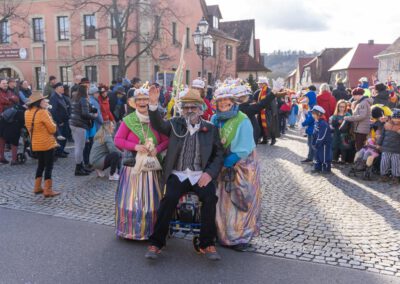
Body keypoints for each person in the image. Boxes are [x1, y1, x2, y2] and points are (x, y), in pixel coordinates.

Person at [145, 86, 224, 261]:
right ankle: (156, 242)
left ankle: (206, 243)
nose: (189, 110)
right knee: (169, 199)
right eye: (186, 107)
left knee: (210, 198)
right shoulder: (175, 124)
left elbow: (219, 154)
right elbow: (158, 124)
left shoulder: (210, 128)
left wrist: (209, 174)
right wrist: (152, 104)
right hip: (178, 173)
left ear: (200, 109)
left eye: (193, 107)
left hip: (199, 175)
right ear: (182, 109)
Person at [211, 84, 262, 252]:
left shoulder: (242, 119)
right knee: (223, 202)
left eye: (227, 100)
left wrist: (227, 162)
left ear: (233, 101)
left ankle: (240, 237)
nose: (224, 103)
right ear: (216, 103)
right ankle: (223, 235)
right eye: (220, 100)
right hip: (224, 165)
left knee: (240, 200)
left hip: (242, 166)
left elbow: (245, 147)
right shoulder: (214, 119)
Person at [114, 86, 168, 239]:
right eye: (139, 100)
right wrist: (135, 146)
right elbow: (118, 140)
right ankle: (130, 229)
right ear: (134, 103)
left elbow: (167, 140)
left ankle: (152, 230)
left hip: (152, 168)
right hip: (134, 169)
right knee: (131, 202)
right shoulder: (129, 121)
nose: (143, 102)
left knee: (152, 202)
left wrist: (157, 149)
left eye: (145, 99)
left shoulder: (157, 120)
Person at [24, 91, 59, 197]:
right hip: (47, 143)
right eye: (43, 100)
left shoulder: (27, 112)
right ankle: (48, 190)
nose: (45, 101)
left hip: (36, 143)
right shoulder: (43, 112)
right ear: (38, 102)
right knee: (49, 166)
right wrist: (49, 114)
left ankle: (37, 187)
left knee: (40, 165)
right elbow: (52, 129)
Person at [69, 85, 98, 176]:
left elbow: (82, 110)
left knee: (79, 146)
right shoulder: (83, 99)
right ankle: (78, 168)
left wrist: (91, 108)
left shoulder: (75, 98)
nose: (88, 91)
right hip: (79, 125)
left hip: (74, 123)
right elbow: (85, 114)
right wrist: (94, 116)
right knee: (79, 147)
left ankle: (81, 166)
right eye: (87, 89)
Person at [0, 78, 25, 165]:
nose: (5, 85)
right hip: (2, 118)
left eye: (6, 83)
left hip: (11, 118)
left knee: (13, 137)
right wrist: (10, 99)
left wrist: (10, 98)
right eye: (3, 83)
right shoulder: (5, 93)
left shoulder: (9, 92)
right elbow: (3, 100)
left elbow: (17, 99)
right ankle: (2, 157)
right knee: (2, 137)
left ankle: (13, 159)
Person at [83, 86, 103, 170]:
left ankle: (89, 162)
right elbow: (97, 115)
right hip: (93, 126)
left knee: (90, 145)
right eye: (97, 93)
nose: (98, 94)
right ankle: (89, 162)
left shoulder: (92, 101)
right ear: (94, 93)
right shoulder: (93, 102)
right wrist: (103, 122)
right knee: (90, 145)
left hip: (91, 126)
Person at [255, 77, 280, 145]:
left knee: (270, 126)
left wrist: (274, 112)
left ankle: (273, 139)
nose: (258, 85)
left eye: (260, 83)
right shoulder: (261, 90)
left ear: (264, 84)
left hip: (268, 111)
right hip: (261, 111)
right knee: (262, 125)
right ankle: (265, 139)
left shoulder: (268, 90)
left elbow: (272, 101)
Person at [378, 109, 400, 184]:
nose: (396, 120)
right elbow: (382, 136)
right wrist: (378, 144)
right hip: (386, 148)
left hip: (397, 150)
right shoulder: (386, 125)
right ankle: (383, 175)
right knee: (384, 162)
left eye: (398, 118)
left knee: (396, 163)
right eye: (395, 118)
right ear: (391, 118)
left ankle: (395, 177)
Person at [49, 82, 70, 158]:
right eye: (61, 87)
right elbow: (53, 111)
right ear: (57, 88)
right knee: (60, 137)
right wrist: (59, 121)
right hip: (59, 121)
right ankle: (59, 152)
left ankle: (61, 150)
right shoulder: (54, 97)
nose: (63, 88)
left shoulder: (61, 96)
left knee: (65, 136)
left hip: (64, 120)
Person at [311, 105, 332, 174]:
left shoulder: (323, 123)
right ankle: (318, 167)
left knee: (324, 156)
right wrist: (313, 141)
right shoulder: (316, 121)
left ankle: (326, 168)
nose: (312, 115)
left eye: (313, 113)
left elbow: (322, 136)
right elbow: (314, 132)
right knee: (317, 155)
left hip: (324, 143)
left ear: (319, 114)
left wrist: (317, 142)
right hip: (318, 143)